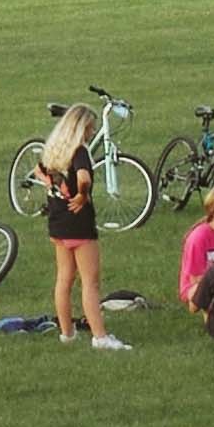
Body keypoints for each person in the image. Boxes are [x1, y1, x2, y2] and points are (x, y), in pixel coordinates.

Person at [32, 107, 127, 348]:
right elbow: (84, 178)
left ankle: (67, 333)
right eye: (90, 127)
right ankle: (100, 337)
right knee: (90, 283)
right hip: (79, 224)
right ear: (80, 128)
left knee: (63, 279)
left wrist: (51, 186)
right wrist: (82, 195)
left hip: (57, 222)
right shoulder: (79, 152)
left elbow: (38, 170)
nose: (92, 132)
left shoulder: (54, 149)